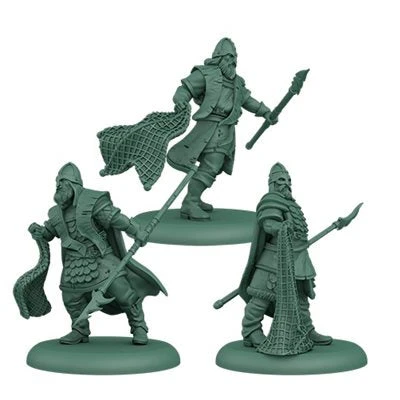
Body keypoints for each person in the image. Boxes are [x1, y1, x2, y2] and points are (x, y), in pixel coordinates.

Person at [25, 162, 165, 345]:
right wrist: (40, 232)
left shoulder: (92, 201)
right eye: (57, 183)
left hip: (100, 258)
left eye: (62, 183)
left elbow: (115, 218)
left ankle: (139, 327)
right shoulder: (56, 212)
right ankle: (79, 330)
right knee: (71, 300)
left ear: (73, 184)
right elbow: (50, 232)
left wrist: (135, 230)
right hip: (73, 263)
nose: (58, 187)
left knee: (124, 294)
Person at [167, 37, 276, 220]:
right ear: (218, 57)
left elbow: (247, 100)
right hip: (209, 127)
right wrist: (181, 100)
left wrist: (265, 111)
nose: (232, 61)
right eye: (228, 57)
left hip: (227, 129)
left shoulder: (237, 82)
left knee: (214, 167)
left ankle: (194, 199)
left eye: (234, 57)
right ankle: (190, 202)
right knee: (211, 164)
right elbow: (185, 89)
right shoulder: (206, 74)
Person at [240, 162, 332, 348]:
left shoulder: (292, 204)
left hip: (299, 258)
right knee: (261, 297)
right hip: (274, 259)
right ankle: (251, 331)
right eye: (282, 180)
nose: (287, 184)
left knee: (300, 298)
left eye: (289, 180)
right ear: (273, 183)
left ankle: (305, 329)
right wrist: (281, 227)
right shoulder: (271, 200)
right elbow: (268, 224)